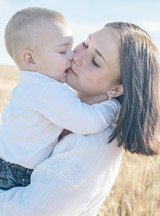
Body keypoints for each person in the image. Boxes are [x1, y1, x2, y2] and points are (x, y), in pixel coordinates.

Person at [0, 22, 159, 216]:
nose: (77, 56)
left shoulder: (93, 143)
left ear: (117, 88)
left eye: (95, 61)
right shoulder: (61, 105)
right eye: (85, 43)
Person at [0, 7, 120, 191]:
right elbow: (86, 120)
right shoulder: (46, 90)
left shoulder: (33, 84)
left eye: (71, 47)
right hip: (15, 173)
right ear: (31, 60)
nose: (72, 55)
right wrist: (113, 106)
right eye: (63, 51)